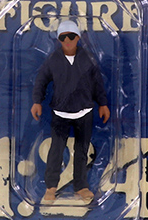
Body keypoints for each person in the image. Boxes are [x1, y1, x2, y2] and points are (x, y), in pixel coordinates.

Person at [31, 19, 110, 203]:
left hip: (85, 112)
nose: (67, 40)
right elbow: (41, 80)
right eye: (63, 37)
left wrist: (103, 104)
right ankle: (51, 187)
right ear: (58, 39)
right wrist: (37, 101)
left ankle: (81, 186)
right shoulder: (53, 60)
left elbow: (98, 83)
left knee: (82, 151)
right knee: (56, 151)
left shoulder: (87, 58)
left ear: (78, 38)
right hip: (60, 113)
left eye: (71, 36)